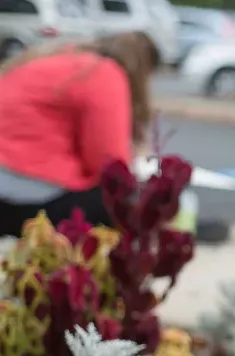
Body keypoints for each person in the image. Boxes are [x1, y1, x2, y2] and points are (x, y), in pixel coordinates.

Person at [0, 31, 161, 237]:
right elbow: (109, 164)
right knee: (122, 203)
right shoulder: (103, 73)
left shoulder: (54, 59)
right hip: (27, 199)